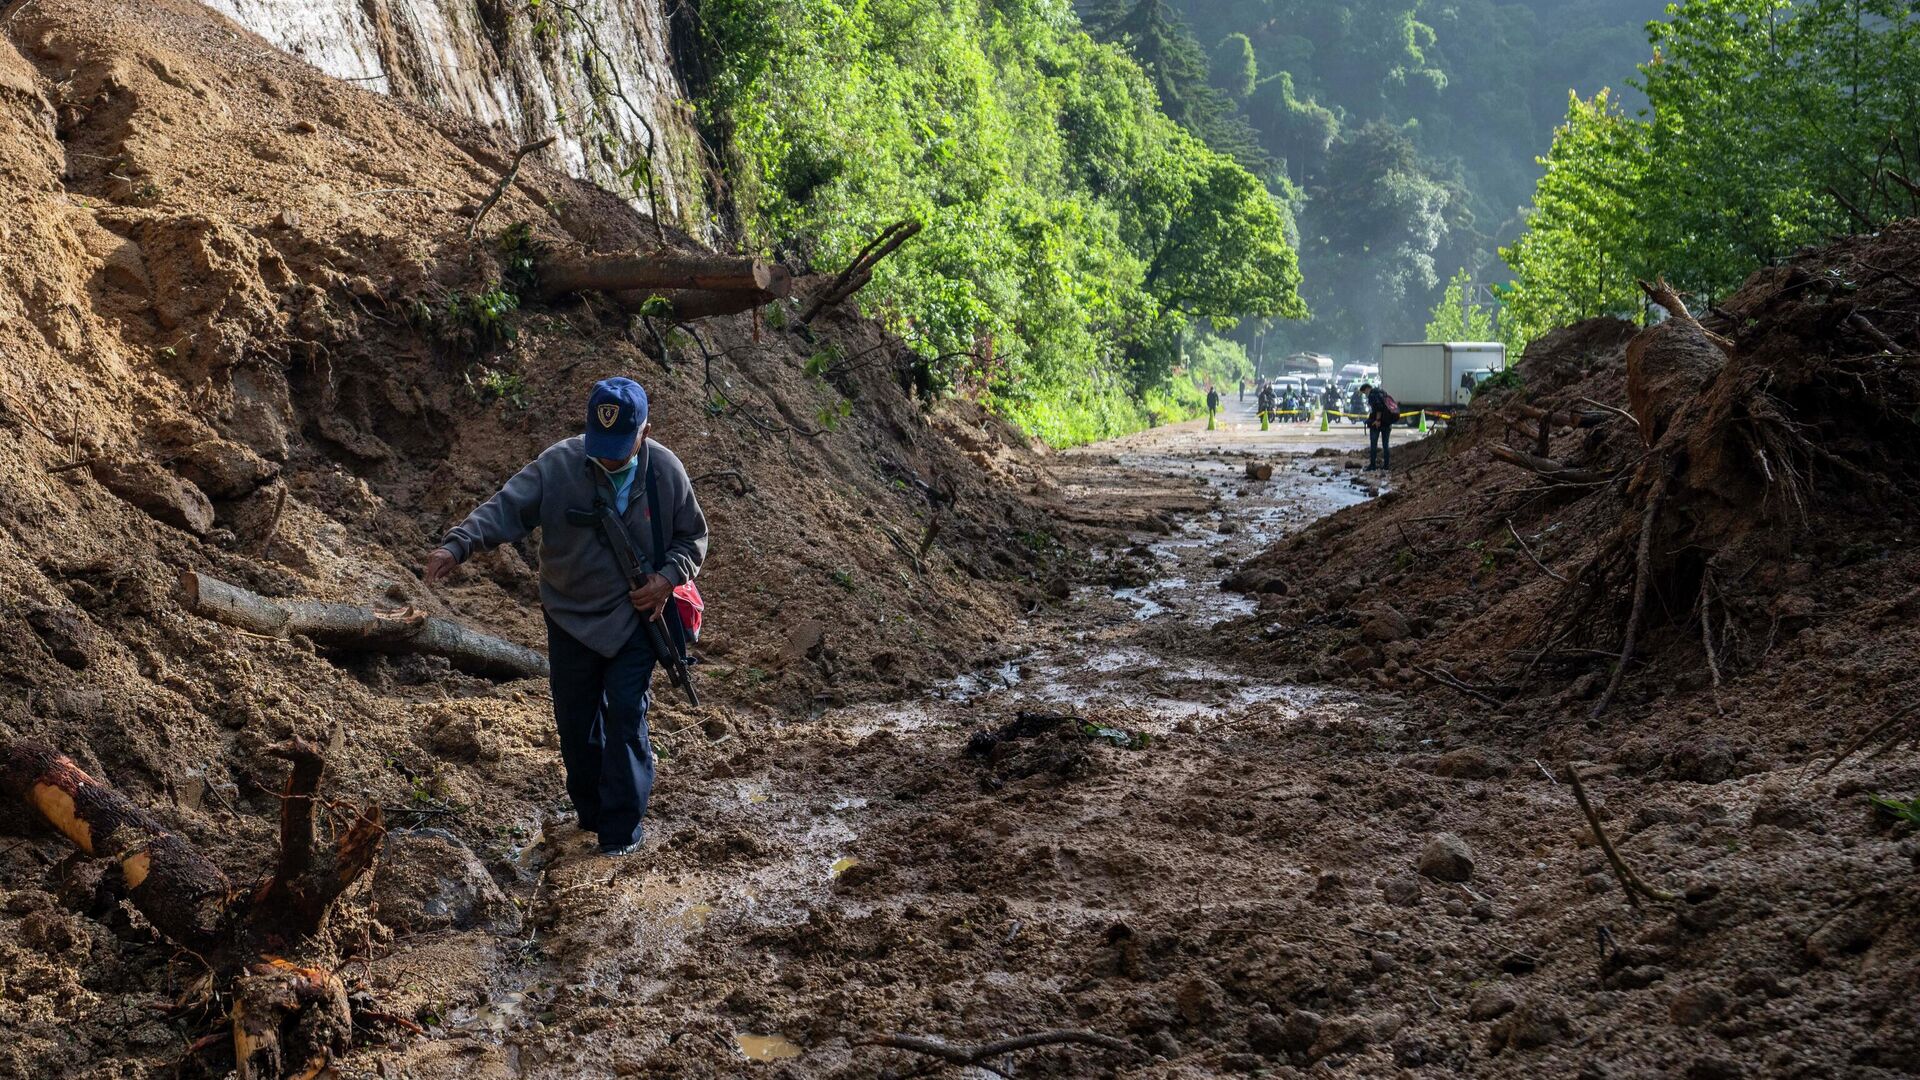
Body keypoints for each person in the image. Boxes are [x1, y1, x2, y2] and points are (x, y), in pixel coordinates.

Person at [424, 378, 708, 857]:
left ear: (644, 432)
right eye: (602, 448)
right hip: (569, 616)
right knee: (576, 724)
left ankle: (620, 834)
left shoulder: (665, 471)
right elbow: (505, 507)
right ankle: (592, 814)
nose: (610, 458)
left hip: (638, 618)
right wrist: (459, 544)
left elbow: (693, 538)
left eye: (621, 448)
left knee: (626, 715)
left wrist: (667, 578)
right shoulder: (558, 465)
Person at [1362, 381, 1395, 470]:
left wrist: (1377, 420)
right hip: (1387, 422)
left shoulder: (1372, 395)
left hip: (1377, 423)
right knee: (1385, 445)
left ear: (1367, 389)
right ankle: (1386, 465)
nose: (1365, 394)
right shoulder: (1383, 393)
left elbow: (1378, 408)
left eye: (1365, 392)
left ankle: (1372, 465)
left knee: (1373, 444)